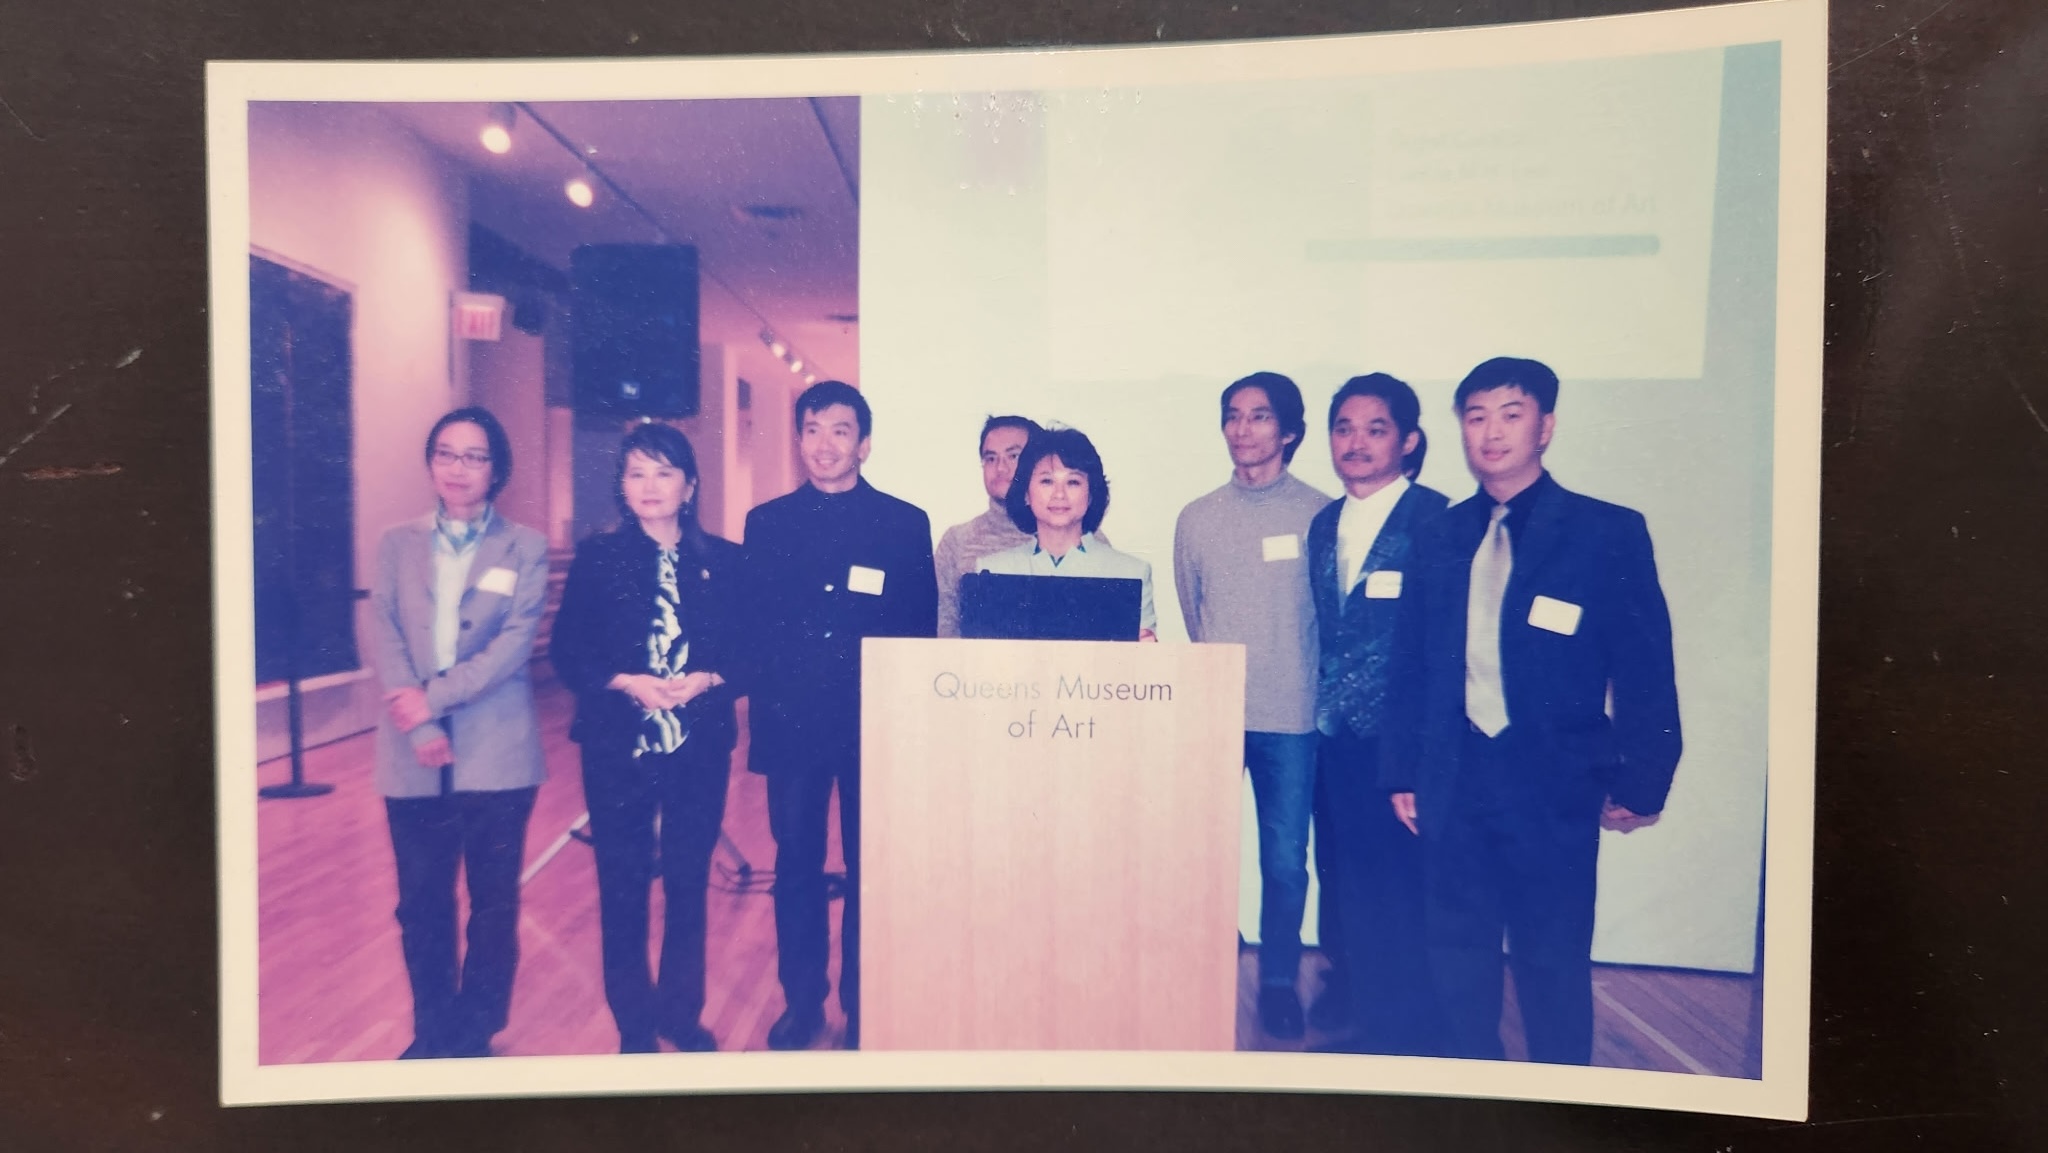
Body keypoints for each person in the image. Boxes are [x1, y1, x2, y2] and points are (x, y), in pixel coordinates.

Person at [1393, 356, 1682, 1065]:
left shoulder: (1605, 531)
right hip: (1456, 776)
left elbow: (1645, 667)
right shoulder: (1438, 536)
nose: (1491, 432)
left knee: (1552, 957)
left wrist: (1644, 778)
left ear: (1545, 427)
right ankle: (1472, 1088)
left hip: (1555, 784)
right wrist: (1401, 770)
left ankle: (1562, 1097)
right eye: (1476, 416)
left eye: (1511, 414)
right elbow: (1412, 664)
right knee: (1457, 950)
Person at [741, 380, 939, 1050]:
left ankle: (863, 1005)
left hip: (872, 726)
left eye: (840, 430)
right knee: (795, 865)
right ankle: (802, 1004)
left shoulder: (904, 523)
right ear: (798, 439)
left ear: (865, 443)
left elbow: (918, 631)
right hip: (792, 726)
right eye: (813, 429)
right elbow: (756, 627)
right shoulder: (766, 523)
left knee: (869, 869)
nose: (825, 444)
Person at [549, 422, 742, 1054]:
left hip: (697, 746)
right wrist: (624, 681)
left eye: (664, 472)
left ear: (690, 485)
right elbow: (568, 651)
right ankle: (634, 1026)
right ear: (622, 486)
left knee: (688, 884)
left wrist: (709, 678)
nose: (650, 486)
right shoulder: (598, 558)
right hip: (618, 747)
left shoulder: (726, 561)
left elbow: (752, 651)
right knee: (622, 885)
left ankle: (681, 1016)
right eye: (636, 473)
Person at [364, 406, 550, 1060]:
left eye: (474, 456)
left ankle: (475, 1030)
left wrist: (432, 700)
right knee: (421, 902)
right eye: (446, 453)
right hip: (410, 751)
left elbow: (512, 646)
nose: (458, 468)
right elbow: (384, 630)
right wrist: (419, 721)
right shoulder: (395, 543)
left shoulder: (525, 546)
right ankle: (432, 1030)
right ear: (430, 463)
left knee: (493, 903)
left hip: (498, 752)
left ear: (497, 469)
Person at [1170, 371, 1328, 1039]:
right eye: (1233, 415)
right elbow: (1193, 610)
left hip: (1292, 717)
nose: (1243, 428)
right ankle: (1197, 969)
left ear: (1289, 430)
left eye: (1259, 416)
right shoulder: (1198, 517)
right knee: (1200, 853)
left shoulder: (1321, 514)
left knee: (1285, 862)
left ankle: (1278, 982)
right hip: (1215, 715)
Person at [1302, 373, 1448, 1056]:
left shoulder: (1438, 521)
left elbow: (1444, 648)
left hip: (1403, 744)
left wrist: (1420, 755)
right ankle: (1370, 1023)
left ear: (1409, 441)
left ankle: (1413, 1038)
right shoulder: (1324, 522)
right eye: (1344, 428)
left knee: (1405, 892)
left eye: (1375, 428)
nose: (1355, 443)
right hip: (1336, 738)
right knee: (1350, 884)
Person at [978, 425, 1157, 640]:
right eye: (1047, 481)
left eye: (1072, 482)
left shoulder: (1131, 572)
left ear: (1091, 495)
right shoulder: (992, 570)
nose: (1059, 494)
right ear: (1026, 493)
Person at [935, 416, 1041, 638]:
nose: (1000, 468)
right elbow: (942, 629)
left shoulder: (1080, 538)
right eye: (991, 458)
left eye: (1013, 456)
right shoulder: (957, 541)